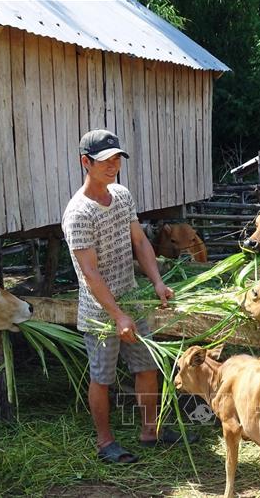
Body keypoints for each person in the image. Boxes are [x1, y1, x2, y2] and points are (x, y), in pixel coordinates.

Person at [62, 129, 197, 463]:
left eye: (117, 158)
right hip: (100, 310)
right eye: (105, 160)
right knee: (102, 376)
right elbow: (89, 273)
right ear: (86, 163)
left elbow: (140, 242)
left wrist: (156, 282)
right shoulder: (79, 214)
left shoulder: (121, 196)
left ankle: (150, 431)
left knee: (147, 365)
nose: (113, 165)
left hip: (132, 298)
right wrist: (117, 315)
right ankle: (105, 442)